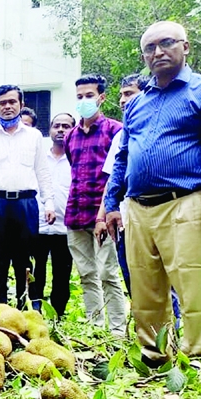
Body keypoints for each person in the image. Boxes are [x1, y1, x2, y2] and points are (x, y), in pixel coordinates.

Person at [105, 21, 201, 365]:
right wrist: (111, 202)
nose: (158, 52)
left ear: (186, 47)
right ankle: (153, 355)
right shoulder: (137, 103)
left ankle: (197, 354)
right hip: (138, 207)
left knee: (192, 281)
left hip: (185, 201)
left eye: (166, 43)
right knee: (145, 288)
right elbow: (124, 155)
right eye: (150, 48)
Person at [96, 74, 183, 326]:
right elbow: (113, 179)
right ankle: (147, 334)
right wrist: (105, 213)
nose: (123, 100)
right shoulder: (122, 136)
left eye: (129, 94)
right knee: (134, 279)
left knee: (166, 281)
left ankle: (173, 333)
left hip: (163, 214)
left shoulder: (163, 130)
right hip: (126, 219)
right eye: (122, 94)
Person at [0, 85, 55, 308]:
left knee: (25, 259)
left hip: (26, 204)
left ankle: (26, 305)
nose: (7, 106)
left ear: (21, 104)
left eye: (12, 102)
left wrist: (49, 203)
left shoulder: (35, 136)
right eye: (2, 103)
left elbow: (42, 171)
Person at [65, 74, 126, 335]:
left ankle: (117, 331)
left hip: (103, 215)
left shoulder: (115, 130)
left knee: (108, 273)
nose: (84, 101)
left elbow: (115, 176)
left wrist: (105, 214)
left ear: (101, 97)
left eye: (89, 96)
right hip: (76, 214)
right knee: (87, 274)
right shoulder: (70, 136)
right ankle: (95, 327)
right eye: (79, 97)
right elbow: (74, 170)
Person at [29, 113, 75, 316]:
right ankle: (35, 308)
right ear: (49, 130)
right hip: (38, 224)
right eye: (57, 126)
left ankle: (58, 312)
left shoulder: (76, 159)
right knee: (35, 271)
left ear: (73, 130)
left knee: (62, 273)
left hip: (65, 227)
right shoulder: (38, 159)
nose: (61, 130)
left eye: (66, 126)